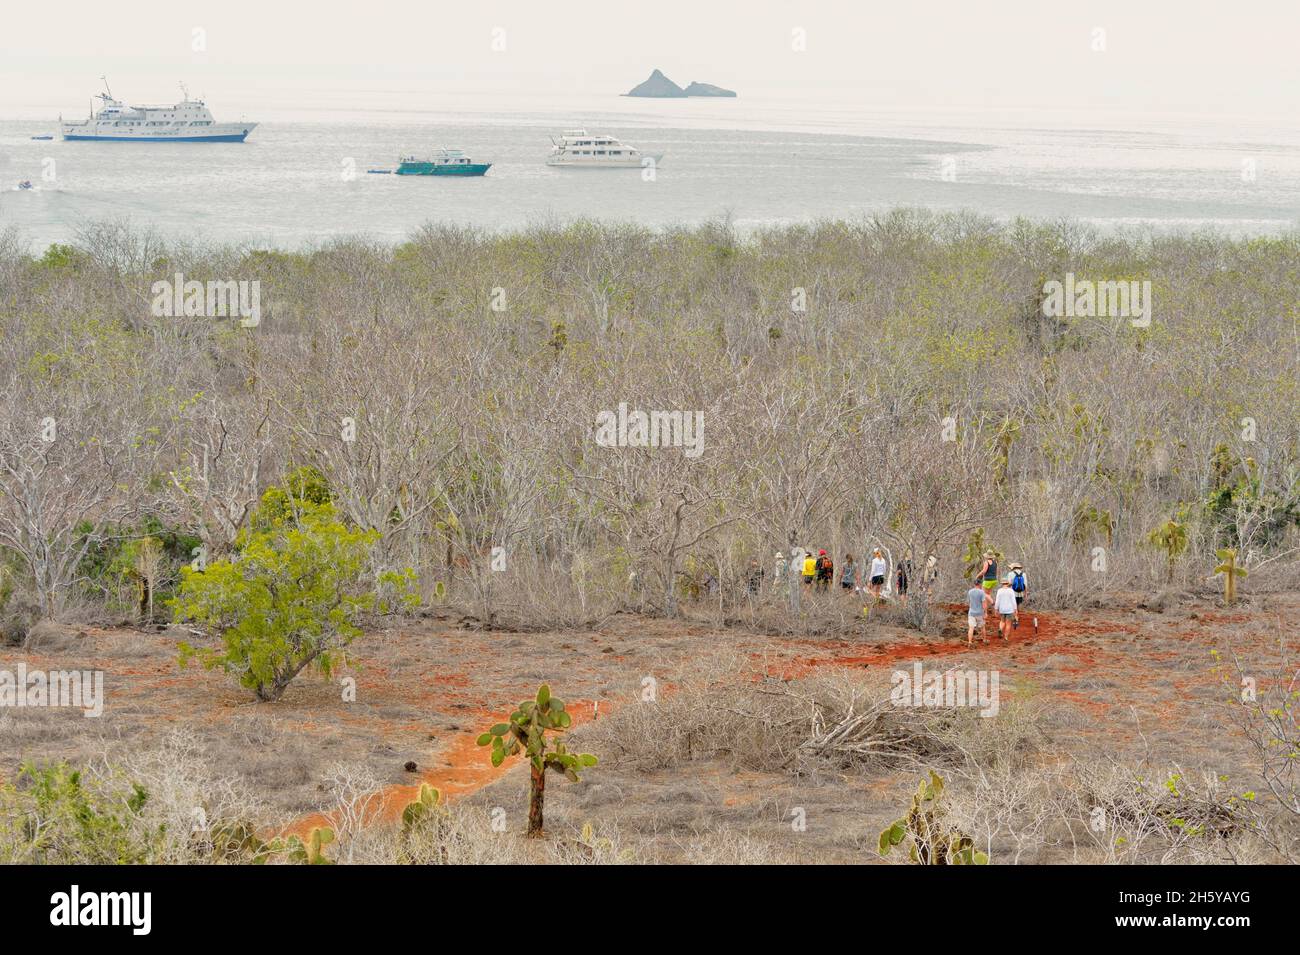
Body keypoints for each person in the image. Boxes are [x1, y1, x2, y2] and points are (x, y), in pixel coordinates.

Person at [966, 578, 991, 645]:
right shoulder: (981, 592)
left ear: (974, 584)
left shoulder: (970, 591)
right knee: (982, 627)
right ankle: (984, 640)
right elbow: (984, 604)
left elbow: (969, 602)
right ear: (980, 584)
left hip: (971, 612)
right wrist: (985, 612)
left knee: (971, 628)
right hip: (980, 613)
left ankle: (970, 642)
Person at [994, 574, 1019, 641]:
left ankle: (1000, 629)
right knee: (1008, 624)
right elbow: (1013, 601)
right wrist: (1015, 609)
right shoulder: (1011, 591)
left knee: (1002, 621)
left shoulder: (999, 591)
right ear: (1007, 583)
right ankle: (1006, 637)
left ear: (1002, 583)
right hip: (1009, 609)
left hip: (1002, 609)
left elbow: (997, 601)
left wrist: (996, 609)